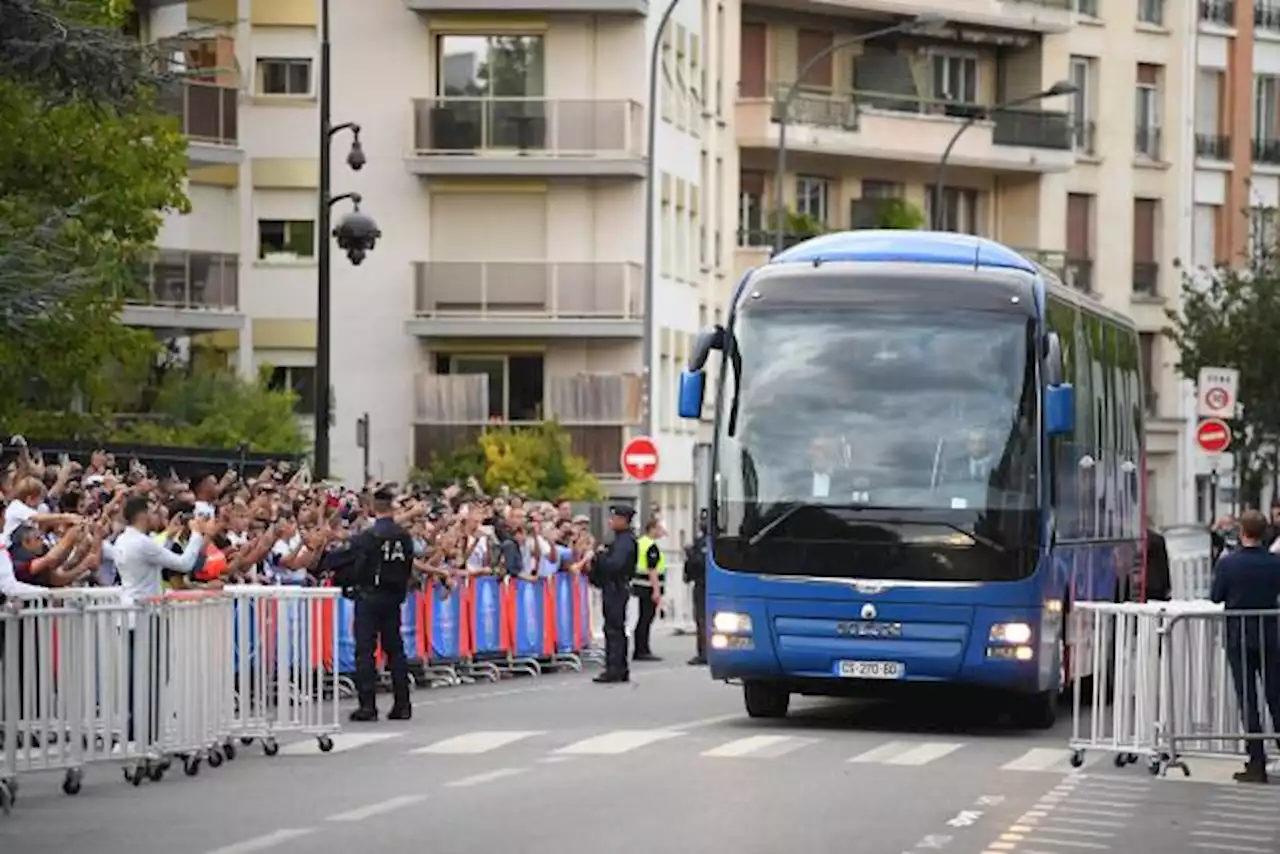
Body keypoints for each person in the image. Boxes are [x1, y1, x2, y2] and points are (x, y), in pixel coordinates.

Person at [322, 487, 415, 722]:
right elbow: (408, 567)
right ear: (392, 507)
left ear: (373, 508)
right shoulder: (404, 537)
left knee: (365, 651)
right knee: (395, 651)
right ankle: (402, 704)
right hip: (393, 598)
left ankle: (368, 705)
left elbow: (337, 559)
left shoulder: (369, 537)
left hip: (369, 597)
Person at [1208, 509, 1280, 784]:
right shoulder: (1275, 563)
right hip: (1270, 636)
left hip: (1239, 637)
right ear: (1263, 533)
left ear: (1242, 532)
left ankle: (1257, 761)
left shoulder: (1229, 564)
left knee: (1248, 700)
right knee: (1275, 696)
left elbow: (1216, 596)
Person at [589, 505, 638, 683]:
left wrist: (601, 557)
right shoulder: (619, 540)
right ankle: (618, 667)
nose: (611, 521)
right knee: (615, 627)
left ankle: (615, 668)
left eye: (614, 518)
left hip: (616, 587)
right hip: (614, 586)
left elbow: (615, 565)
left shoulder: (624, 542)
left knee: (614, 628)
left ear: (623, 520)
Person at [631, 517, 665, 662]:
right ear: (652, 529)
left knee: (643, 618)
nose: (662, 531)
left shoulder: (640, 543)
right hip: (648, 587)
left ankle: (640, 648)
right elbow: (652, 569)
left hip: (640, 585)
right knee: (646, 619)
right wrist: (656, 591)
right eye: (660, 528)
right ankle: (642, 649)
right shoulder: (651, 546)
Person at [685, 512, 708, 666]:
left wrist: (692, 555)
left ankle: (706, 653)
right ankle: (703, 652)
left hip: (709, 584)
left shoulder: (712, 542)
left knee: (705, 619)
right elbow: (692, 565)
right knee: (700, 619)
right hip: (700, 584)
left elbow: (701, 562)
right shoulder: (699, 541)